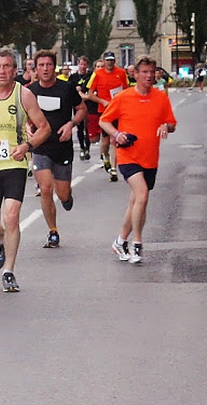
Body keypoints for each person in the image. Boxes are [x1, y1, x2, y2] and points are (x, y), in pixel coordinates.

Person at [0, 48, 50, 292]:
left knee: (12, 216)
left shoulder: (23, 95)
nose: (2, 71)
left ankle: (9, 271)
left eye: (7, 66)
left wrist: (27, 145)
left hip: (15, 163)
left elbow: (44, 127)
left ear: (14, 70)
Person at [99, 55, 176, 264]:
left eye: (152, 72)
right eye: (145, 72)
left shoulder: (161, 98)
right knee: (141, 195)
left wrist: (165, 126)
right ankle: (137, 244)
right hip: (127, 155)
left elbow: (171, 123)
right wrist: (116, 135)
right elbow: (104, 120)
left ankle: (120, 240)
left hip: (150, 157)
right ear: (135, 74)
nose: (149, 76)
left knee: (137, 201)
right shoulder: (124, 97)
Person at [28, 50, 87, 248]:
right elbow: (23, 114)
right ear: (35, 69)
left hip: (62, 147)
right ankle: (53, 231)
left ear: (55, 67)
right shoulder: (30, 91)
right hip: (40, 146)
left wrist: (71, 124)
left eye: (49, 65)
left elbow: (81, 109)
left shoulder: (67, 88)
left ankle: (67, 197)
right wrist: (27, 128)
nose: (45, 69)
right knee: (45, 188)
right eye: (41, 65)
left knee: (62, 194)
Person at [86, 51, 129, 182]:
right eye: (107, 60)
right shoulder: (97, 74)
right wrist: (103, 101)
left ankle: (114, 169)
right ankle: (104, 156)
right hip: (104, 111)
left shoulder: (121, 73)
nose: (110, 62)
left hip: (118, 110)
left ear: (114, 61)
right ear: (103, 61)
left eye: (111, 60)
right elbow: (90, 94)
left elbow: (126, 90)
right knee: (105, 141)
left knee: (114, 139)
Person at [68, 56, 92, 160]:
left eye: (84, 65)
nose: (83, 66)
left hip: (88, 104)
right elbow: (69, 89)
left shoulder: (90, 76)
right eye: (81, 64)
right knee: (80, 127)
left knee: (88, 127)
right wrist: (75, 89)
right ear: (78, 64)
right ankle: (82, 148)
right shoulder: (73, 77)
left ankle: (87, 148)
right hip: (77, 104)